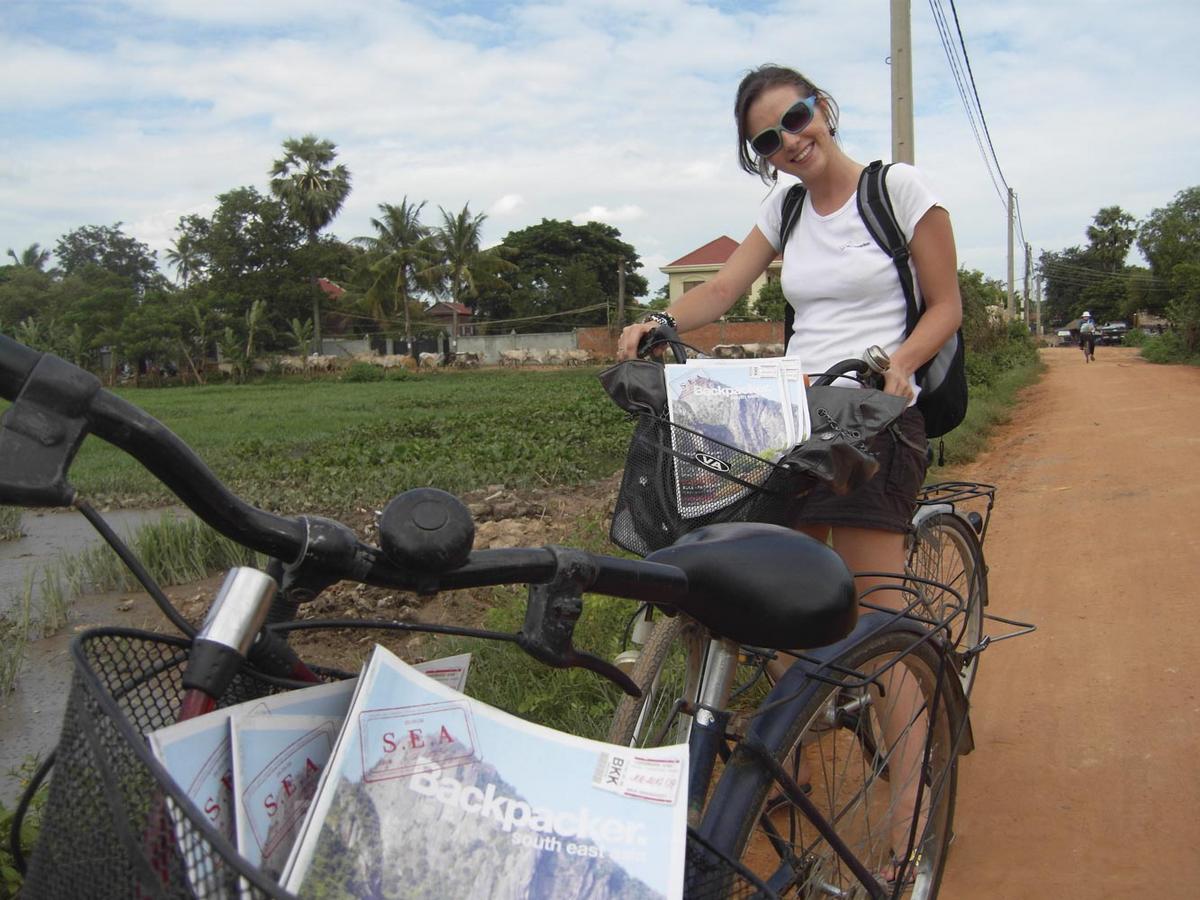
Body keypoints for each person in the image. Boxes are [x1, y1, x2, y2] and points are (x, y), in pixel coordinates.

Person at [617, 63, 963, 883]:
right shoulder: (785, 207)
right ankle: (793, 753)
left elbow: (946, 304)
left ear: (824, 109)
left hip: (877, 411)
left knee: (876, 618)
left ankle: (915, 810)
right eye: (768, 140)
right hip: (793, 415)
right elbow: (725, 286)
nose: (789, 142)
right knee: (777, 595)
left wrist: (901, 361)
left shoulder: (898, 189)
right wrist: (659, 318)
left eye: (796, 119)